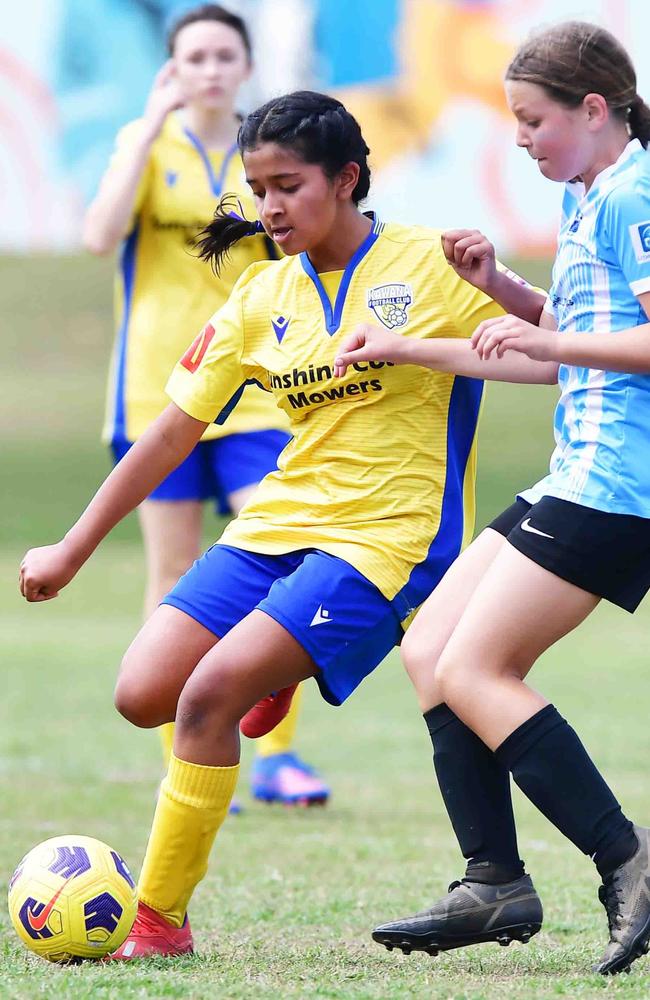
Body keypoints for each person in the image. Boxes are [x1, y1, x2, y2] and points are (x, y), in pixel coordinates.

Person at [19, 89, 556, 959]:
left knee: (205, 696)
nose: (269, 208)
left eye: (288, 185)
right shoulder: (261, 295)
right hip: (277, 523)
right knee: (141, 694)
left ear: (346, 180)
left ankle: (159, 924)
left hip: (388, 538)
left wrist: (501, 287)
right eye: (257, 188)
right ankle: (273, 665)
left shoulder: (431, 265)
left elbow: (566, 347)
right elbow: (169, 433)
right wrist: (73, 549)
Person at [333, 20, 650, 977]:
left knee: (476, 668)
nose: (519, 137)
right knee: (428, 651)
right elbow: (568, 337)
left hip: (619, 488)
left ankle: (628, 860)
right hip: (576, 472)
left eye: (532, 119)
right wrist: (498, 293)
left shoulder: (637, 195)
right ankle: (494, 883)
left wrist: (550, 343)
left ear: (595, 110)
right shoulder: (593, 193)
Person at [82, 3, 328, 808]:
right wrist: (147, 127)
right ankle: (182, 750)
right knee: (175, 574)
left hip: (259, 392)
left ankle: (278, 754)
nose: (211, 70)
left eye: (226, 55)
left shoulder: (268, 158)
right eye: (194, 58)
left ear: (247, 65)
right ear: (172, 69)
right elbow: (99, 234)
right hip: (159, 392)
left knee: (283, 553)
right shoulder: (147, 147)